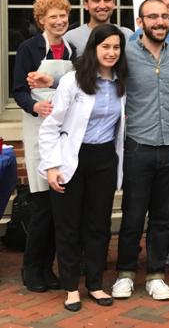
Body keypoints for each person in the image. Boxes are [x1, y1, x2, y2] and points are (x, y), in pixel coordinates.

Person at [37, 24, 128, 311]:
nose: (111, 52)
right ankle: (70, 288)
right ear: (93, 48)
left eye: (116, 47)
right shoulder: (73, 81)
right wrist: (51, 166)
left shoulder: (120, 83)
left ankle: (95, 284)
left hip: (104, 159)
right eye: (105, 47)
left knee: (99, 225)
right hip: (71, 158)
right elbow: (51, 126)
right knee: (68, 226)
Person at [111, 0, 169, 301]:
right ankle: (126, 273)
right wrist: (55, 79)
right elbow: (90, 72)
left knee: (162, 217)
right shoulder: (124, 52)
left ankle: (155, 274)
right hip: (138, 145)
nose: (159, 22)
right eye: (152, 17)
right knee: (132, 214)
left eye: (164, 17)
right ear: (140, 21)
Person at [13, 0, 76, 293]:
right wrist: (35, 106)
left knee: (58, 207)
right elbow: (18, 90)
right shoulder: (29, 48)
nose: (60, 21)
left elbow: (78, 86)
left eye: (63, 15)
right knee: (41, 208)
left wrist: (57, 87)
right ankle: (31, 269)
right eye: (53, 16)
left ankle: (48, 268)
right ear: (41, 20)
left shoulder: (72, 50)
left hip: (63, 132)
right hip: (38, 129)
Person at [64, 0, 134, 53]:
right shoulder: (71, 38)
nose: (102, 6)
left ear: (114, 3)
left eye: (107, 0)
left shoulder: (127, 35)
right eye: (96, 0)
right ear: (86, 4)